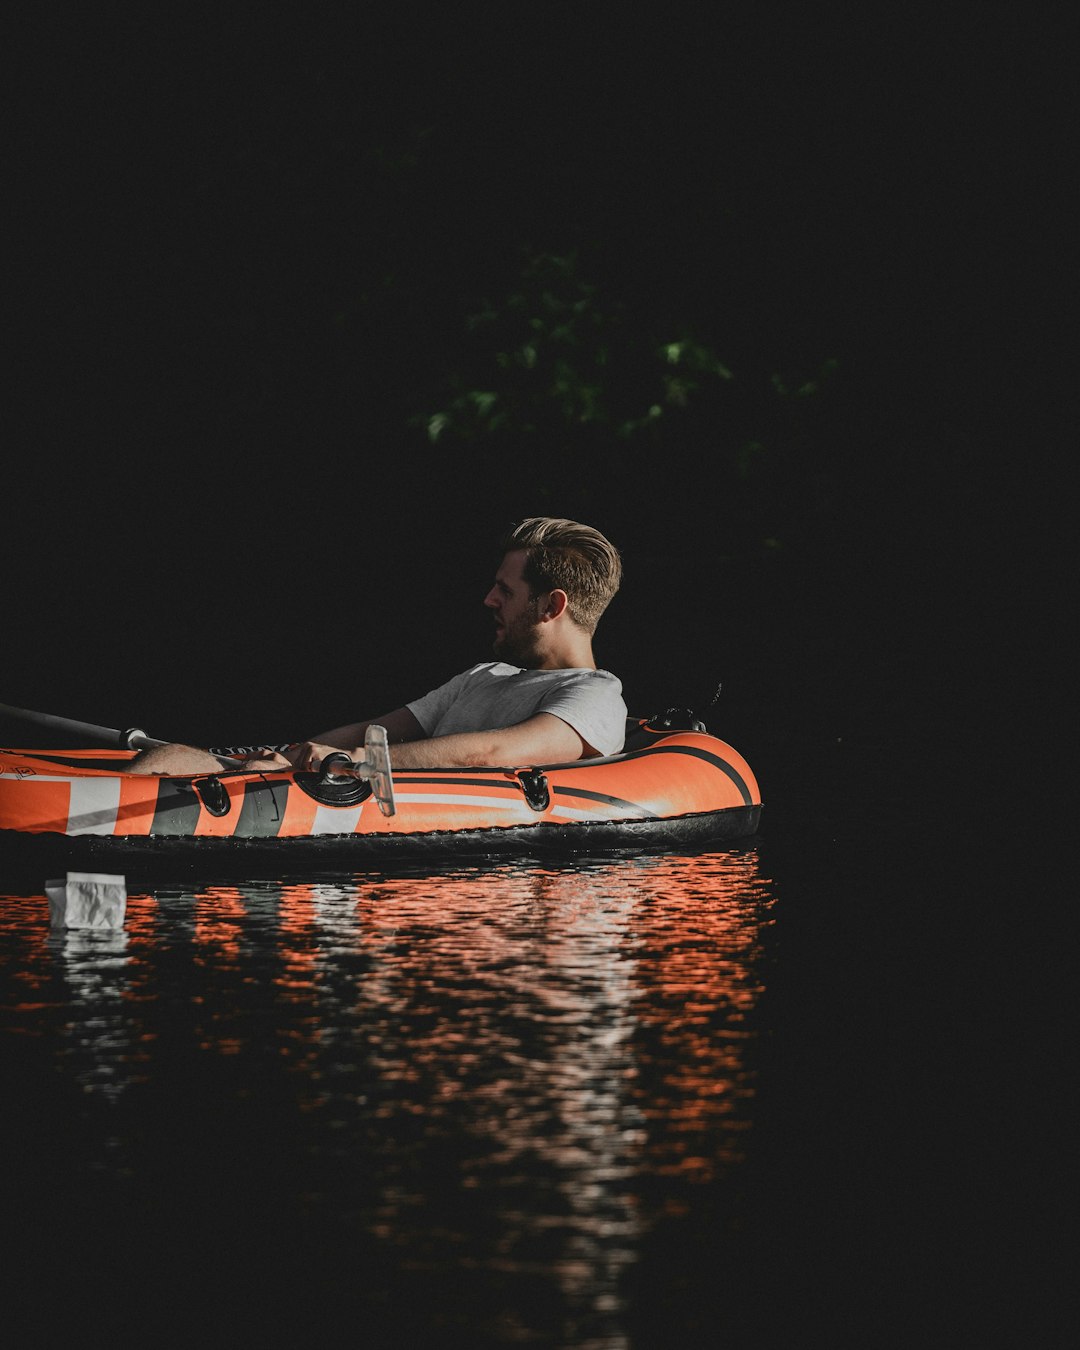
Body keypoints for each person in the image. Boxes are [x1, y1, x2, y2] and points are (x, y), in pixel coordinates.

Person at [128, 517, 626, 775]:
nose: (488, 599)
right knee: (170, 756)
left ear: (551, 606)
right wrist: (289, 754)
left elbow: (495, 752)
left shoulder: (594, 696)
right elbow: (376, 731)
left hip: (413, 828)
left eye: (507, 590)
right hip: (345, 786)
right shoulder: (483, 676)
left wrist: (346, 764)